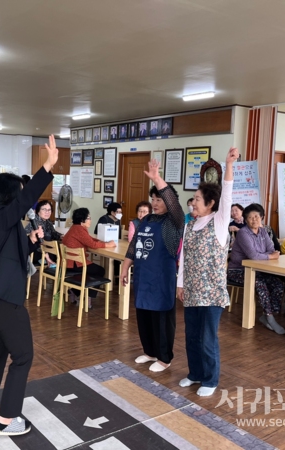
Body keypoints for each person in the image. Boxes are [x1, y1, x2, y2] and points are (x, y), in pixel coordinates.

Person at [0, 135, 57, 437]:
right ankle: (8, 419)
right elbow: (25, 201)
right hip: (5, 301)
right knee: (23, 357)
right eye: (20, 193)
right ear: (9, 196)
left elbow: (13, 254)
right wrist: (47, 167)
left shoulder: (1, 223)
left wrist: (31, 241)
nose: (24, 198)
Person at [176, 147, 239, 397]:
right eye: (193, 199)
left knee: (207, 337)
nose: (193, 202)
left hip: (211, 293)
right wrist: (179, 284)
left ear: (210, 204)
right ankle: (195, 374)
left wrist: (229, 165)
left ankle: (211, 380)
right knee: (191, 335)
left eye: (198, 199)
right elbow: (184, 257)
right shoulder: (190, 225)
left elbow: (228, 195)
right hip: (190, 289)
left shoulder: (220, 221)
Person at [120, 160, 184, 373]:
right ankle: (149, 351)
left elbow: (174, 204)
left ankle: (165, 358)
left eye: (160, 199)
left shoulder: (174, 222)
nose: (155, 203)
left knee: (162, 320)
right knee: (144, 316)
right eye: (153, 199)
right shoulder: (146, 219)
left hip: (162, 278)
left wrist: (157, 178)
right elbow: (133, 246)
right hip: (143, 277)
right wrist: (125, 267)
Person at [227, 204, 285, 334]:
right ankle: (270, 318)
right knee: (260, 283)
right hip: (238, 271)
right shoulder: (243, 233)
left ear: (262, 217)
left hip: (258, 270)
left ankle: (267, 315)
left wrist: (269, 255)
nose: (254, 220)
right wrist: (270, 256)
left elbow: (271, 249)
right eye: (250, 217)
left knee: (277, 284)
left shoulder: (263, 231)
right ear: (245, 220)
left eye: (257, 217)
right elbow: (253, 256)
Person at [62, 208, 116, 308]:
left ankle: (75, 291)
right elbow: (92, 244)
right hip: (76, 264)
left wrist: (103, 242)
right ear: (82, 220)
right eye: (89, 218)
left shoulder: (75, 228)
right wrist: (108, 245)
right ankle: (87, 297)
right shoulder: (80, 230)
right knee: (100, 271)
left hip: (69, 263)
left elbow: (90, 239)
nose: (90, 220)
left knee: (94, 270)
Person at [24, 200, 63, 265]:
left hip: (45, 250)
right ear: (38, 211)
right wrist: (46, 256)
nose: (47, 212)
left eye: (49, 210)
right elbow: (38, 242)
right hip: (34, 251)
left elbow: (53, 233)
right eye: (44, 209)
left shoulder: (48, 222)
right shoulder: (35, 222)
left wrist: (61, 236)